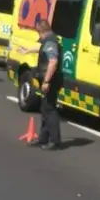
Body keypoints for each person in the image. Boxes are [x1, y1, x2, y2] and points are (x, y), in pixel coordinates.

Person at [33, 17, 63, 150]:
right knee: (45, 108)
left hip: (51, 80)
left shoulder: (50, 42)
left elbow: (53, 62)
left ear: (40, 30)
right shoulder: (50, 40)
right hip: (50, 79)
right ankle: (43, 138)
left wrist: (46, 81)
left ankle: (55, 141)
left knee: (50, 109)